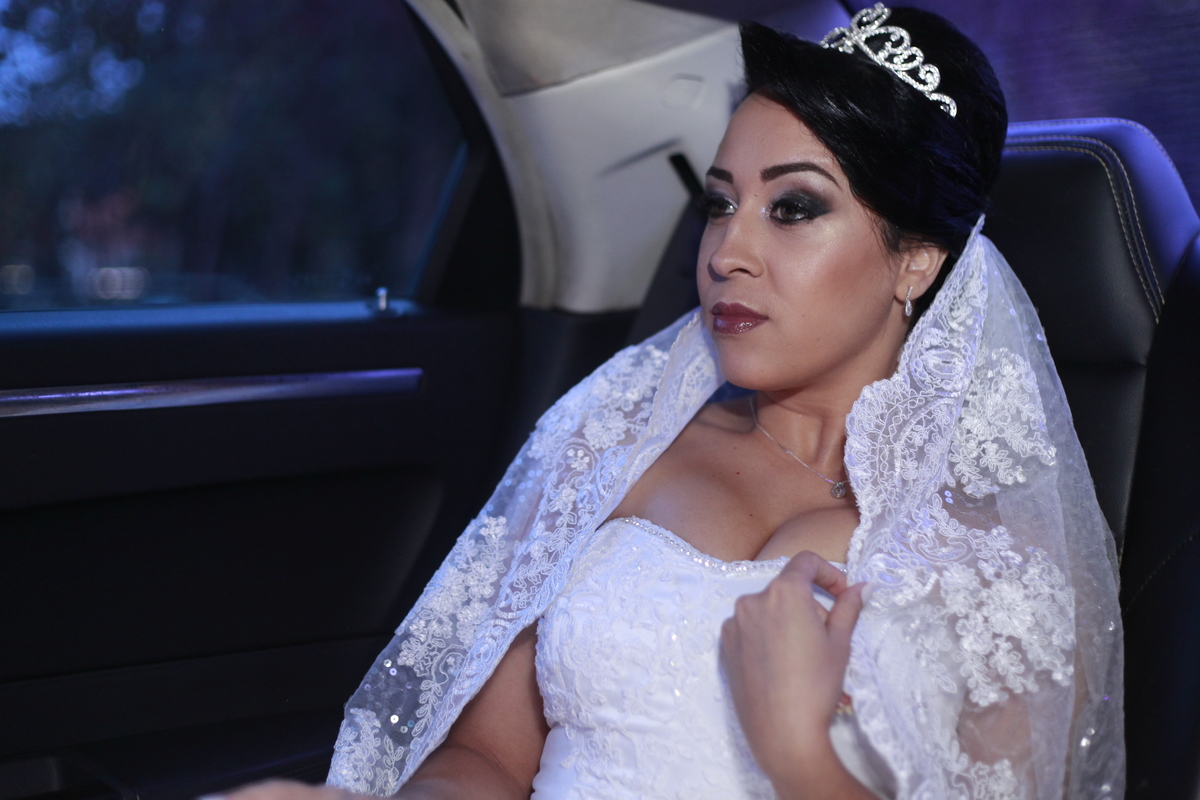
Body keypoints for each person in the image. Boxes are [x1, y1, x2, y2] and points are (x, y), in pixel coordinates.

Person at [225, 5, 1124, 799]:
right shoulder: (615, 442)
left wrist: (801, 757)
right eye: (720, 204)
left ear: (916, 261)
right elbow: (488, 758)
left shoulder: (1004, 568)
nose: (726, 252)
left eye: (794, 208)